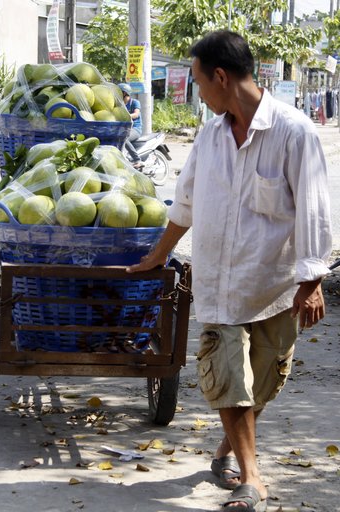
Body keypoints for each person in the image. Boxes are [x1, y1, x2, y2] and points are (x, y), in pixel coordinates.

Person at [127, 31, 332, 511]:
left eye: (199, 82)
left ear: (221, 77)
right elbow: (186, 204)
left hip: (273, 286)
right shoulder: (210, 135)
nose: (199, 93)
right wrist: (159, 256)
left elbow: (314, 210)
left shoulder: (293, 132)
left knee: (263, 381)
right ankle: (252, 479)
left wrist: (313, 280)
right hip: (218, 283)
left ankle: (228, 451)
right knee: (227, 378)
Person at [119, 83, 144, 169]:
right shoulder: (120, 105)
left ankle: (137, 160)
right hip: (125, 129)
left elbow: (136, 114)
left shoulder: (134, 102)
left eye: (120, 94)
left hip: (135, 129)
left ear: (126, 94)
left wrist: (127, 116)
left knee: (123, 138)